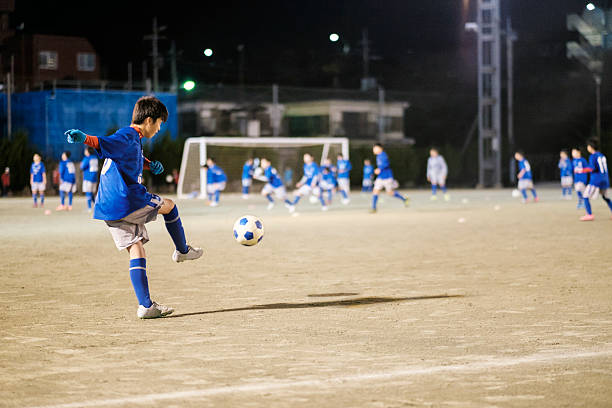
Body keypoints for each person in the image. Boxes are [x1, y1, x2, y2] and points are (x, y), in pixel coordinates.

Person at [64, 95, 203, 319]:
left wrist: (149, 165)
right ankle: (182, 250)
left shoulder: (132, 141)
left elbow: (129, 156)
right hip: (126, 199)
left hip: (108, 206)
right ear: (149, 120)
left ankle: (146, 305)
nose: (159, 129)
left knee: (136, 248)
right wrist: (84, 137)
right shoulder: (129, 135)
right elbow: (106, 143)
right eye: (159, 124)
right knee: (170, 206)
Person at [575, 138, 612, 221]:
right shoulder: (602, 155)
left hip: (596, 180)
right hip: (605, 179)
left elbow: (591, 168)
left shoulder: (593, 156)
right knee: (606, 197)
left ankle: (589, 214)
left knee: (585, 195)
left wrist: (580, 170)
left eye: (588, 146)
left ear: (591, 147)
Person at [370, 143, 409, 213]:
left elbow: (386, 164)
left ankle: (404, 199)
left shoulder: (383, 155)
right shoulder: (378, 156)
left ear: (380, 148)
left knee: (390, 192)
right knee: (375, 190)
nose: (373, 150)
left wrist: (379, 169)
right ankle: (374, 208)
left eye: (374, 148)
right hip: (380, 177)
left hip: (387, 177)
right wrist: (379, 170)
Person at [80, 147, 99, 212]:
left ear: (88, 152)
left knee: (88, 192)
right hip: (94, 178)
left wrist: (81, 164)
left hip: (88, 177)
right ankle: (96, 205)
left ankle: (89, 208)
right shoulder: (95, 158)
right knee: (92, 193)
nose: (84, 152)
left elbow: (82, 166)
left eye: (85, 151)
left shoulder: (87, 158)